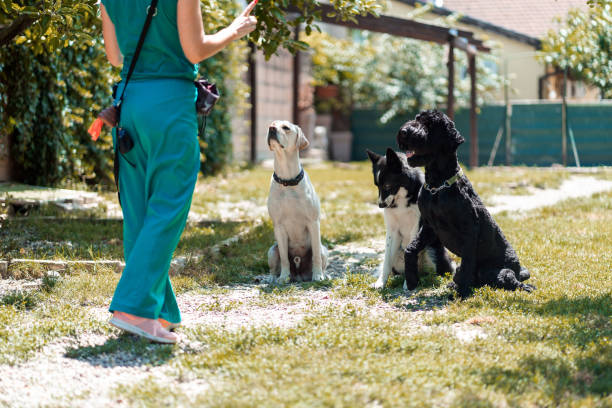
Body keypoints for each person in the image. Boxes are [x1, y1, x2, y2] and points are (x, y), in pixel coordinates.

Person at [100, 0, 257, 343]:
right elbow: (195, 49)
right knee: (169, 205)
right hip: (170, 105)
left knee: (139, 210)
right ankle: (133, 310)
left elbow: (115, 57)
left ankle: (158, 312)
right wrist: (235, 29)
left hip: (129, 105)